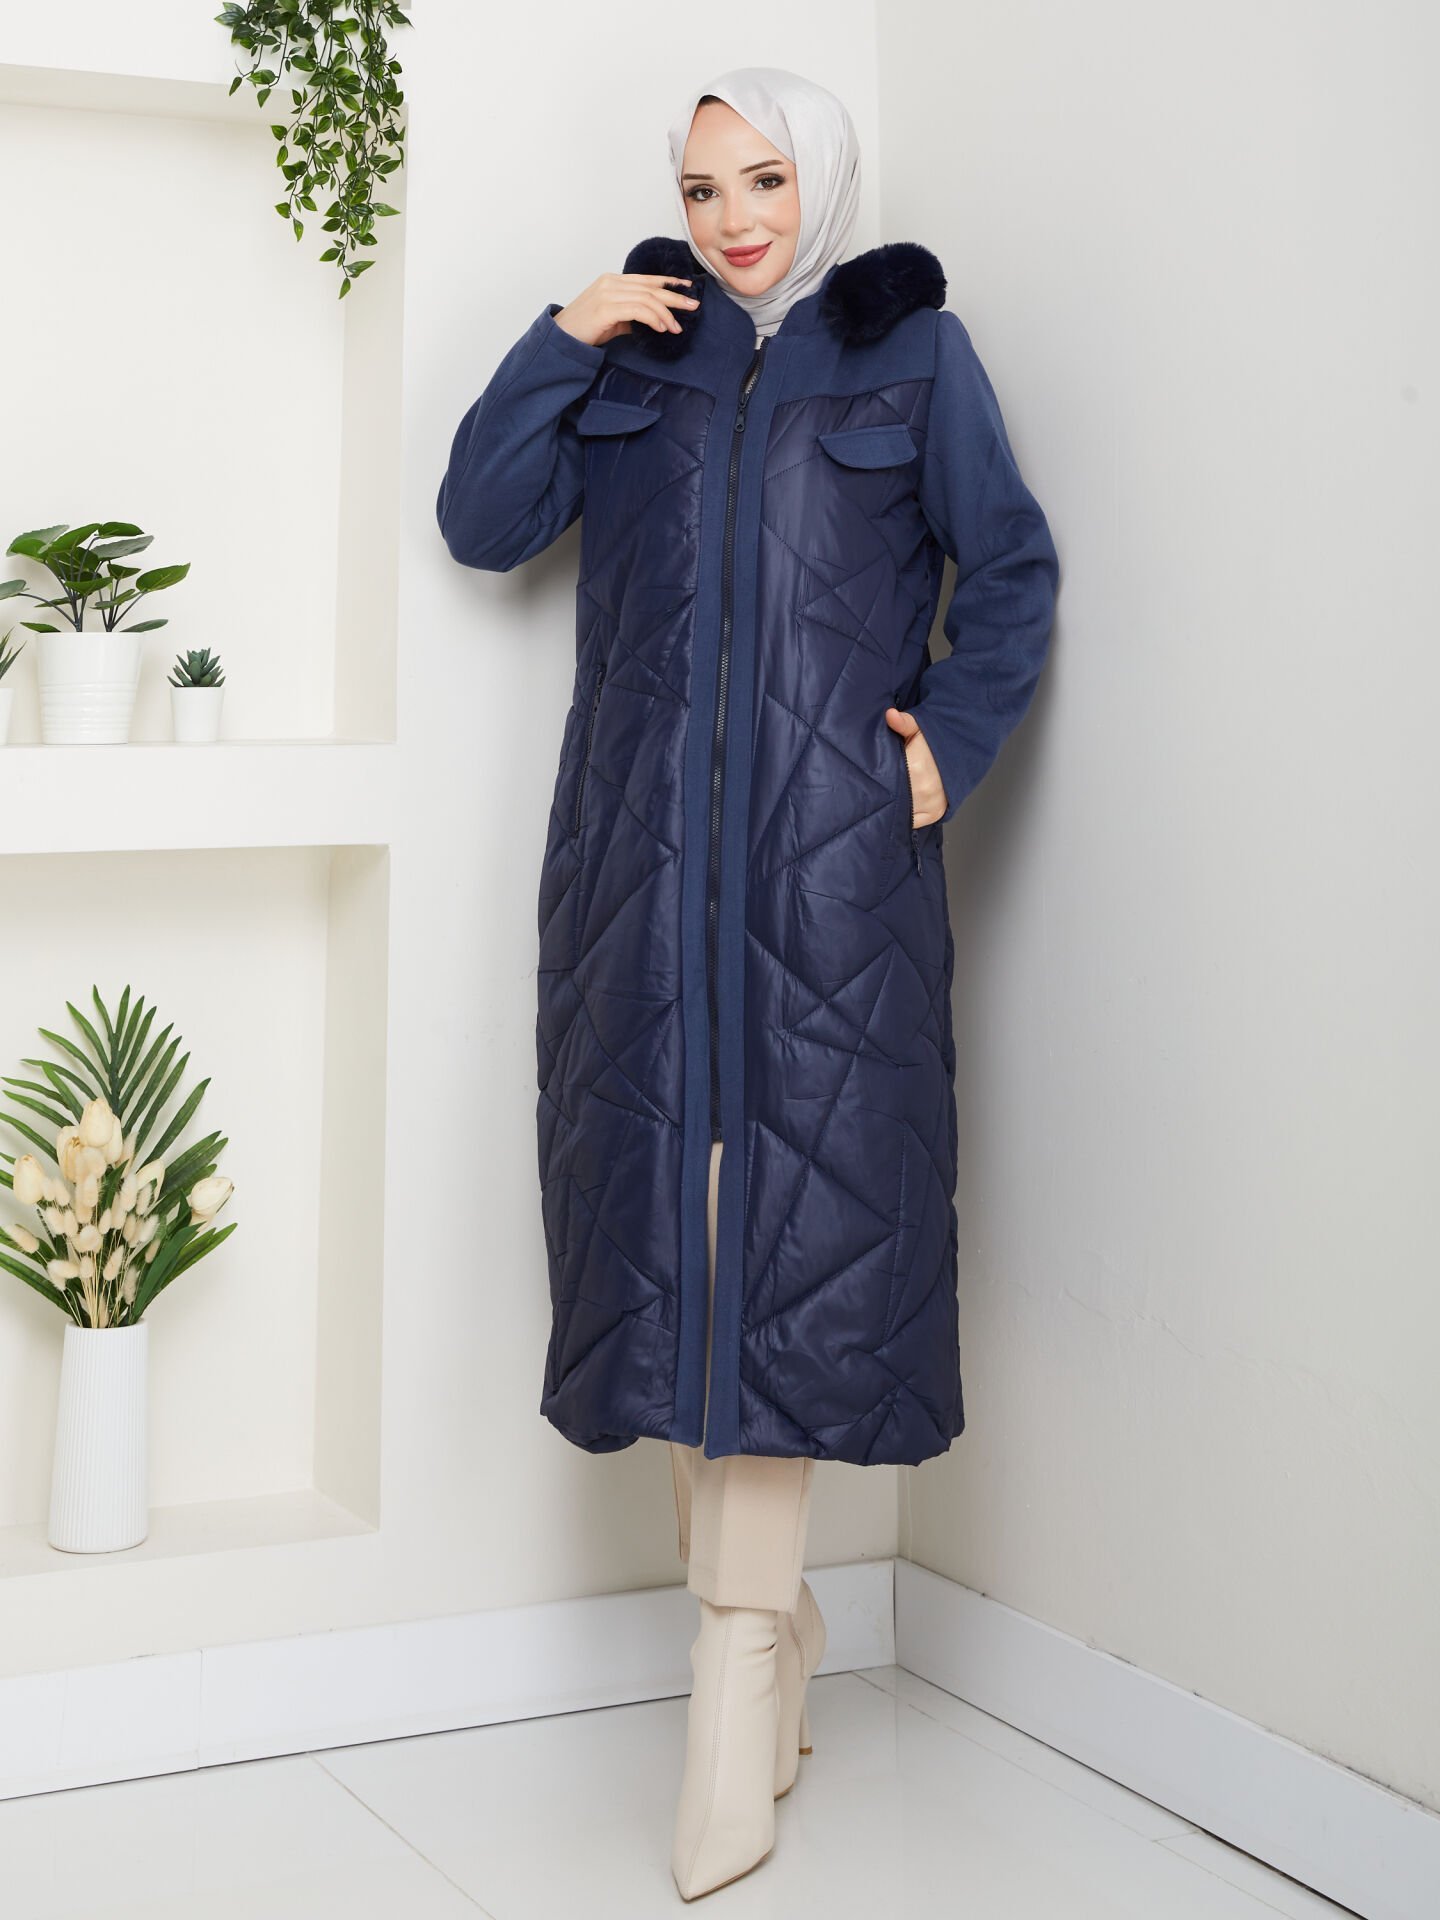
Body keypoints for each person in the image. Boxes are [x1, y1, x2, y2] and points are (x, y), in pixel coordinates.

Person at [436, 64, 1060, 1902]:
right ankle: (774, 1632)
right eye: (705, 188)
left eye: (766, 180)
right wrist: (560, 336)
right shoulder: (639, 354)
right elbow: (483, 520)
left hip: (834, 889)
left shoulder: (916, 356)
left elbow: (1011, 572)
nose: (733, 221)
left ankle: (729, 1684)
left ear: (823, 180)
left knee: (792, 1250)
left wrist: (944, 749)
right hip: (635, 881)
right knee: (678, 1245)